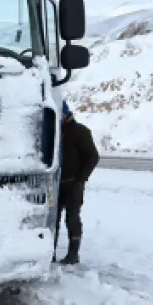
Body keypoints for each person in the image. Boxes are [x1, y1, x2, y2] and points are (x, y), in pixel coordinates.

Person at [55, 101, 99, 265]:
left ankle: (73, 254)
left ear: (66, 115)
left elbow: (93, 157)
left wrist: (81, 179)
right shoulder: (53, 133)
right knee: (53, 220)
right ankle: (50, 252)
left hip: (73, 184)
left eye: (61, 115)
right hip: (55, 185)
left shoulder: (80, 132)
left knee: (72, 219)